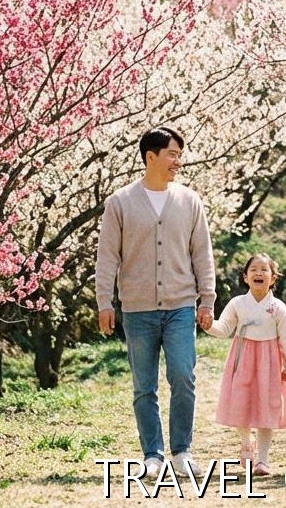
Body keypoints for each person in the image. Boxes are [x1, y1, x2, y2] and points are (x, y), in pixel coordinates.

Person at [94, 126, 215, 480]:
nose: (178, 161)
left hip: (181, 305)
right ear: (151, 156)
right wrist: (105, 301)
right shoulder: (119, 203)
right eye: (172, 154)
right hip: (137, 308)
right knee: (143, 385)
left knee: (183, 376)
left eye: (179, 153)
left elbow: (202, 255)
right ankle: (153, 454)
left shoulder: (190, 201)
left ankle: (181, 450)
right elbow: (107, 257)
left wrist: (206, 299)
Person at [206, 253, 286, 476]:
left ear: (273, 278)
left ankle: (263, 459)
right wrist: (209, 325)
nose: (259, 273)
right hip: (242, 358)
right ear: (246, 277)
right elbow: (224, 329)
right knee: (241, 402)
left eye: (264, 270)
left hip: (269, 360)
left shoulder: (278, 308)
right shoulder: (237, 303)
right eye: (253, 270)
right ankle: (246, 443)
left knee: (266, 406)